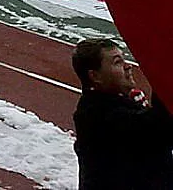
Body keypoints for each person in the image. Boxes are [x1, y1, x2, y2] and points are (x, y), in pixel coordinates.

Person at [72, 38, 173, 189]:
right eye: (117, 62)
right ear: (95, 76)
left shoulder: (119, 102)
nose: (128, 66)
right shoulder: (95, 114)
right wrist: (163, 78)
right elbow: (158, 130)